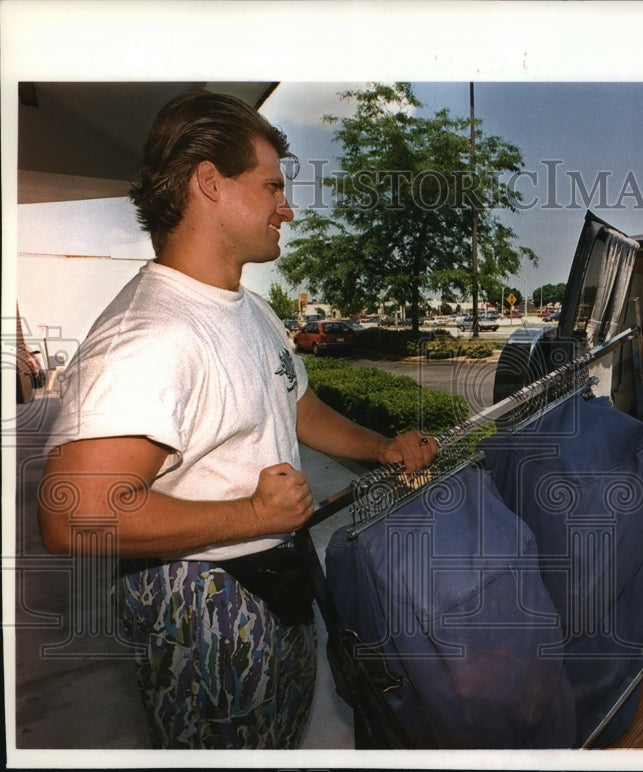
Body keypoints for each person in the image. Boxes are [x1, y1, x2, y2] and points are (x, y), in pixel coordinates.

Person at [37, 89, 438, 749]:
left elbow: (297, 406)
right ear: (208, 183)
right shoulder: (150, 334)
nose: (288, 206)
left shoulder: (249, 311)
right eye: (273, 185)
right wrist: (253, 516)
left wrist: (381, 447)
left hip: (277, 580)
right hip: (203, 608)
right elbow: (71, 513)